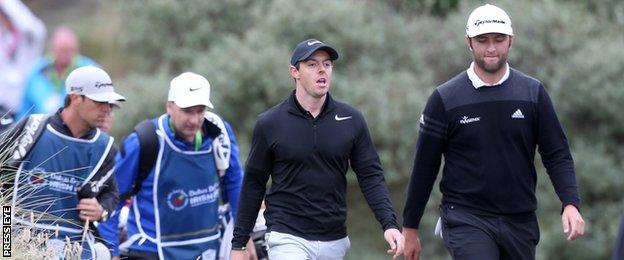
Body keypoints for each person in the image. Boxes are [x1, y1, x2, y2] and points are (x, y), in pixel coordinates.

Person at [402, 4, 585, 260]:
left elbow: (557, 153)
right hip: (466, 217)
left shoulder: (532, 94)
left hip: (520, 220)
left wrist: (570, 202)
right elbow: (424, 166)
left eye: (499, 40)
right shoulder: (445, 99)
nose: (491, 48)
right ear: (469, 42)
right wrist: (410, 227)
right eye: (482, 40)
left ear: (510, 41)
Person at [231, 39, 405, 260]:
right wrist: (239, 244)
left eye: (327, 64)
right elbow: (254, 184)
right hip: (286, 236)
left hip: (334, 239)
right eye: (312, 65)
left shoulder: (351, 119)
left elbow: (371, 175)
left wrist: (389, 224)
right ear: (295, 72)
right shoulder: (270, 123)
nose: (322, 70)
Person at [97, 72, 247, 259]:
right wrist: (112, 252)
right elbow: (113, 197)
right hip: (151, 250)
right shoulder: (145, 141)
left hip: (206, 250)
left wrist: (242, 241)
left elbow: (235, 185)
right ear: (169, 107)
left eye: (200, 111)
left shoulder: (219, 133)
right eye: (187, 111)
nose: (194, 120)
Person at [2, 65, 125, 258]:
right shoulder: (32, 128)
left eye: (109, 103)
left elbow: (111, 194)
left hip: (73, 244)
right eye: (99, 102)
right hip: (18, 236)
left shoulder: (104, 146)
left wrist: (100, 210)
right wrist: (6, 243)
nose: (107, 109)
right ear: (75, 97)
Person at [19, 26, 97, 118]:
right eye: (61, 50)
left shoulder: (89, 70)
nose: (65, 54)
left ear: (76, 49)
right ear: (52, 49)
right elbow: (24, 108)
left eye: (68, 50)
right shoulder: (36, 70)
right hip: (38, 127)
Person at [0, 0, 46, 127]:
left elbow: (34, 27)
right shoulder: (3, 38)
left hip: (22, 111)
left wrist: (7, 3)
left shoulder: (29, 38)